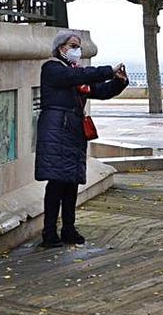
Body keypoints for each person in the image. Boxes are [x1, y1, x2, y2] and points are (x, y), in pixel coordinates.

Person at [35, 30, 128, 248]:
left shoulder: (77, 75)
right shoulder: (52, 69)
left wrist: (118, 82)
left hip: (73, 131)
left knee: (71, 183)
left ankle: (68, 228)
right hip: (57, 131)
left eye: (79, 46)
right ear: (61, 48)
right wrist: (107, 70)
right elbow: (78, 77)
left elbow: (100, 90)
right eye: (73, 46)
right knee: (57, 183)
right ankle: (49, 232)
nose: (77, 50)